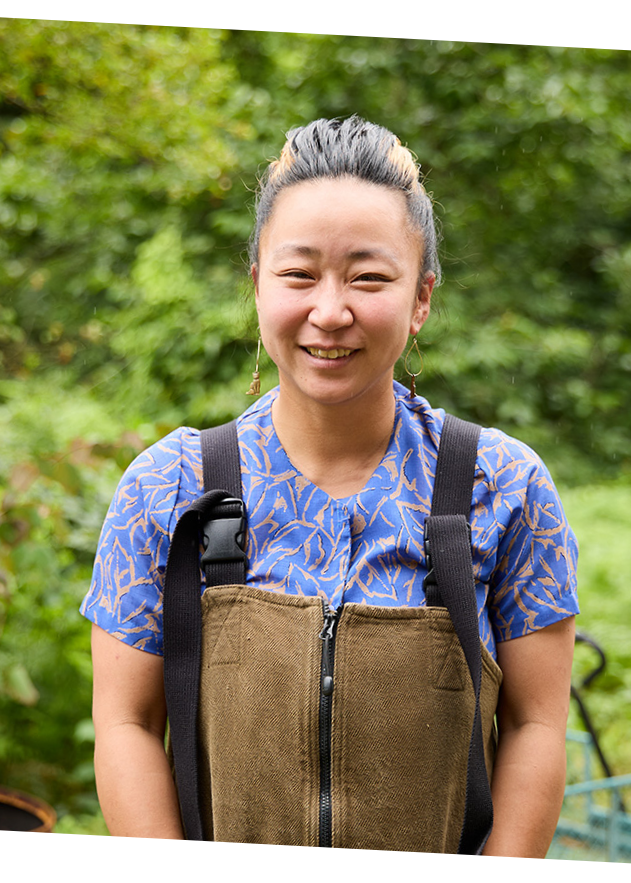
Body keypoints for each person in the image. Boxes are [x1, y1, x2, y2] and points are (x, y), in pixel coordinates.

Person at [81, 115, 579, 856]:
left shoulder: (502, 486)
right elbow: (125, 724)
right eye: (298, 273)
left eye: (369, 276)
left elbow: (537, 724)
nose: (330, 310)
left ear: (421, 299)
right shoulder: (169, 489)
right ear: (257, 286)